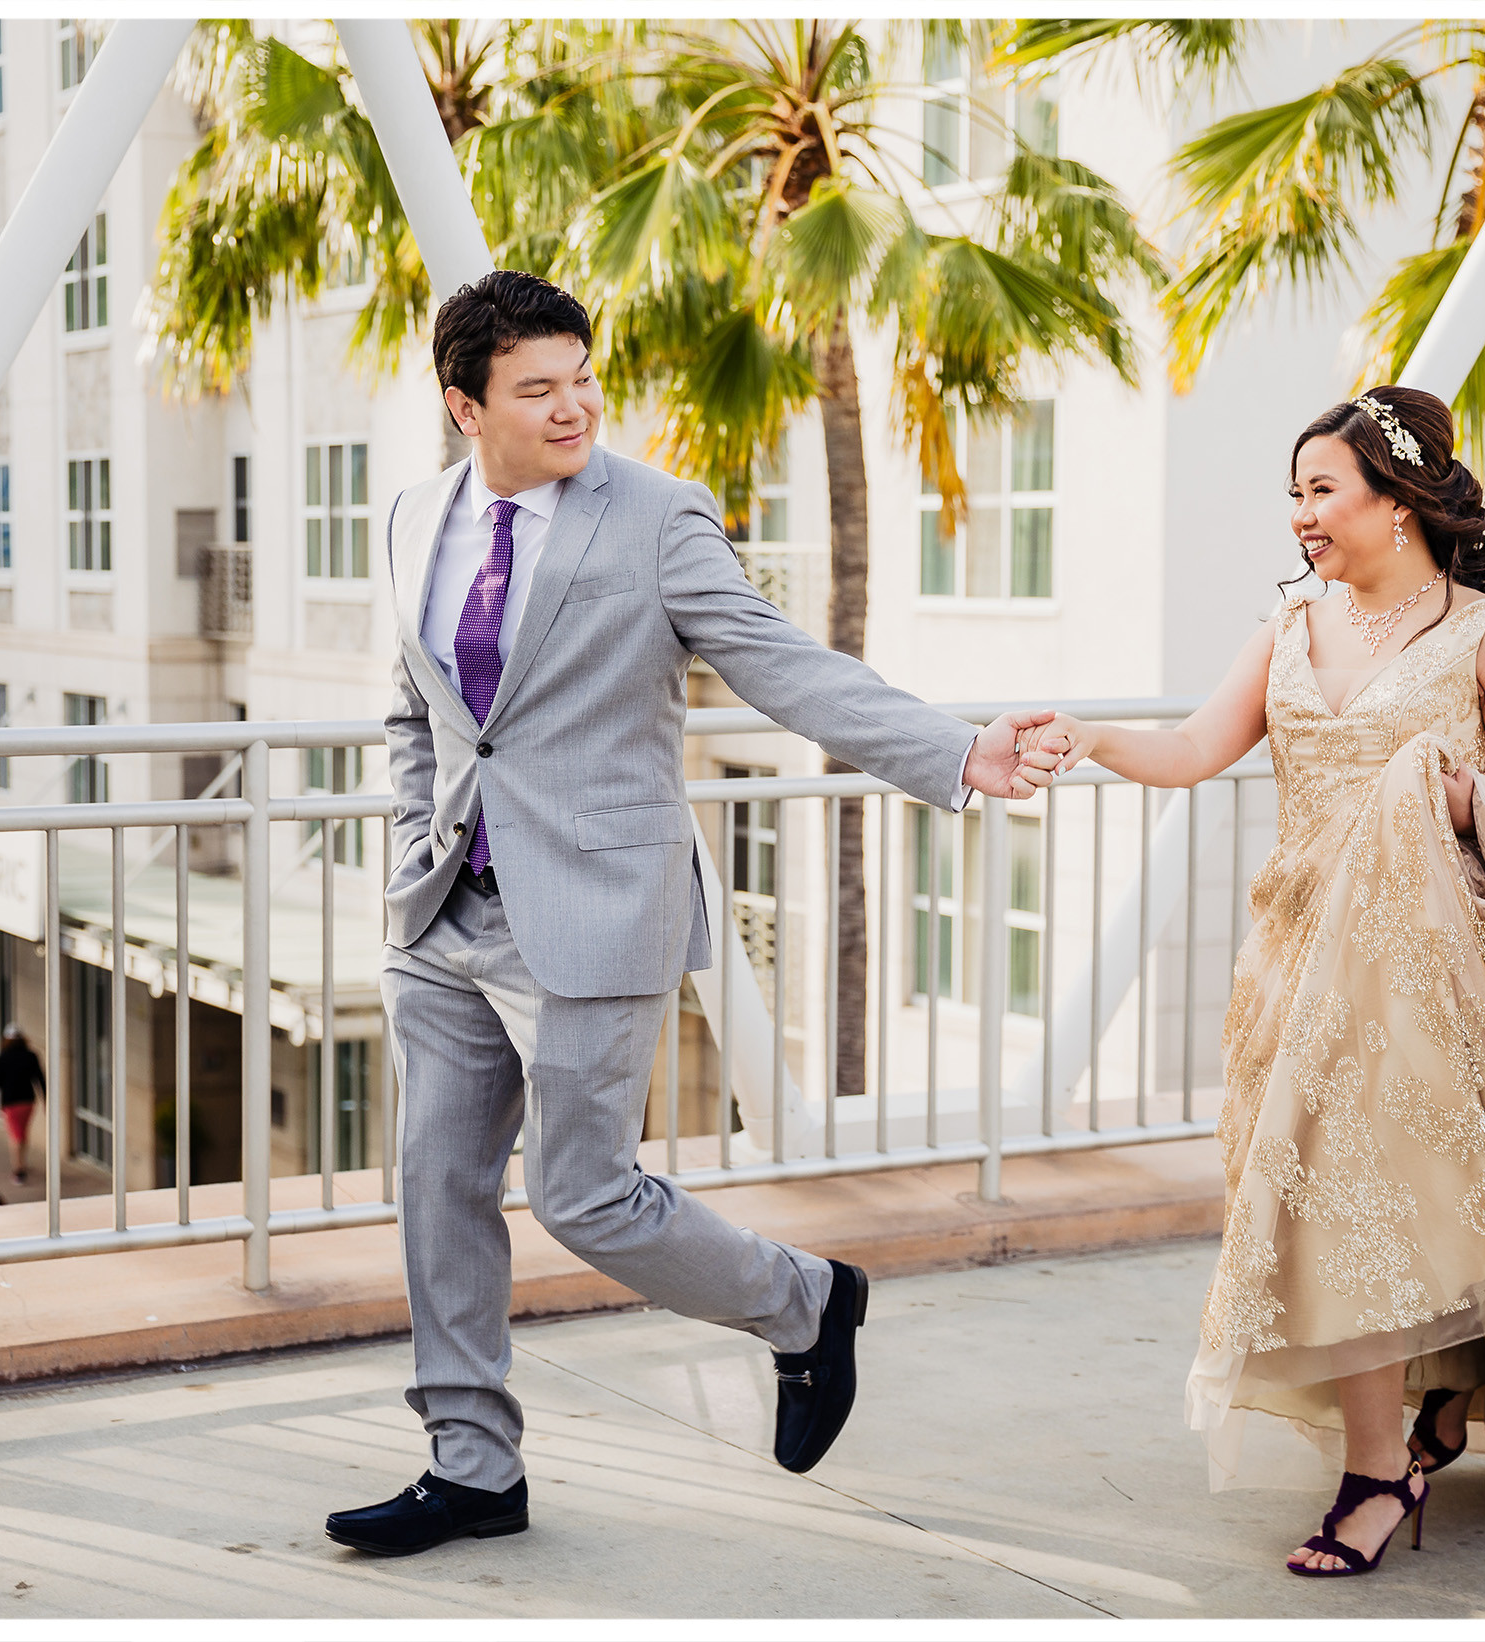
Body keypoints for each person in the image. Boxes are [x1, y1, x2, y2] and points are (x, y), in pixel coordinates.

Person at [324, 271, 1065, 1558]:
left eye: (583, 377)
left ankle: (803, 1303)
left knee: (581, 1192)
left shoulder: (656, 518)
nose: (574, 408)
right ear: (464, 406)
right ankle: (472, 1465)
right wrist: (407, 850)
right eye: (537, 389)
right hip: (443, 913)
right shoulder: (407, 519)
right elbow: (419, 713)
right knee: (437, 1186)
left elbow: (784, 666)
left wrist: (955, 753)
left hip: (597, 908)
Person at [1023, 387, 1485, 1576]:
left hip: (1431, 978)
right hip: (1292, 962)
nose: (1300, 517)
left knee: (1362, 1208)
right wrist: (1089, 734)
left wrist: (1446, 786)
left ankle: (1378, 1474)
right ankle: (1437, 1412)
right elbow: (1186, 750)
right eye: (1293, 494)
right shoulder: (1287, 627)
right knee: (1361, 1210)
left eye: (1320, 490)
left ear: (1400, 497)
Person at [0, 1025, 45, 1185]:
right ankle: (22, 1162)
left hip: (11, 1102)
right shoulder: (31, 1056)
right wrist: (45, 1099)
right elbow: (39, 1078)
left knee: (15, 1136)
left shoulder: (2, 1058)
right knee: (23, 1133)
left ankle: (18, 1171)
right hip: (28, 1101)